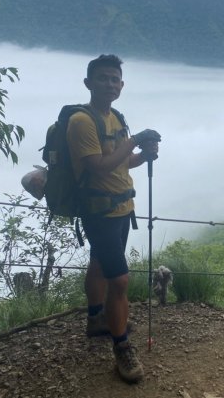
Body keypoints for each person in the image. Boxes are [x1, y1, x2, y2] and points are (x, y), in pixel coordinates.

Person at [66, 54, 160, 383]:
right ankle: (121, 346)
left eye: (114, 79)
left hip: (121, 208)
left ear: (122, 85)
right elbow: (98, 166)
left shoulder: (116, 118)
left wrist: (142, 155)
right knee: (119, 280)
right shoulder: (82, 121)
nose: (109, 83)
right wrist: (135, 141)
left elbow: (120, 162)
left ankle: (96, 319)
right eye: (103, 78)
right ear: (88, 82)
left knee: (98, 263)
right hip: (98, 211)